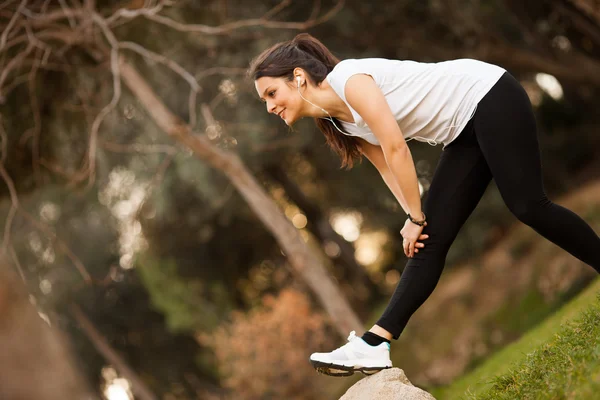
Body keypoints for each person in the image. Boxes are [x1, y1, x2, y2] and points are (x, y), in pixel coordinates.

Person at [248, 33, 600, 377]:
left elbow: (396, 147)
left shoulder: (349, 80)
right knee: (428, 241)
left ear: (297, 78)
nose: (269, 106)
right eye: (264, 100)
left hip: (488, 95)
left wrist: (418, 215)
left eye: (271, 93)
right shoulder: (336, 121)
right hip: (462, 131)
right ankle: (374, 344)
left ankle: (373, 343)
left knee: (528, 206)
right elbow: (386, 166)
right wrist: (412, 217)